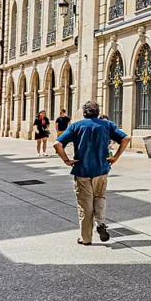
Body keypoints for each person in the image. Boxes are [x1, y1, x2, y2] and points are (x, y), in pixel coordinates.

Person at [52, 101, 130, 246]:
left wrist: (66, 160)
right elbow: (125, 139)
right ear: (98, 112)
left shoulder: (76, 126)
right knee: (100, 196)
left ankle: (86, 238)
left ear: (84, 112)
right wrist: (115, 157)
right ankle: (100, 223)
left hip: (82, 170)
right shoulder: (107, 125)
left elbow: (57, 144)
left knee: (85, 204)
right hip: (101, 169)